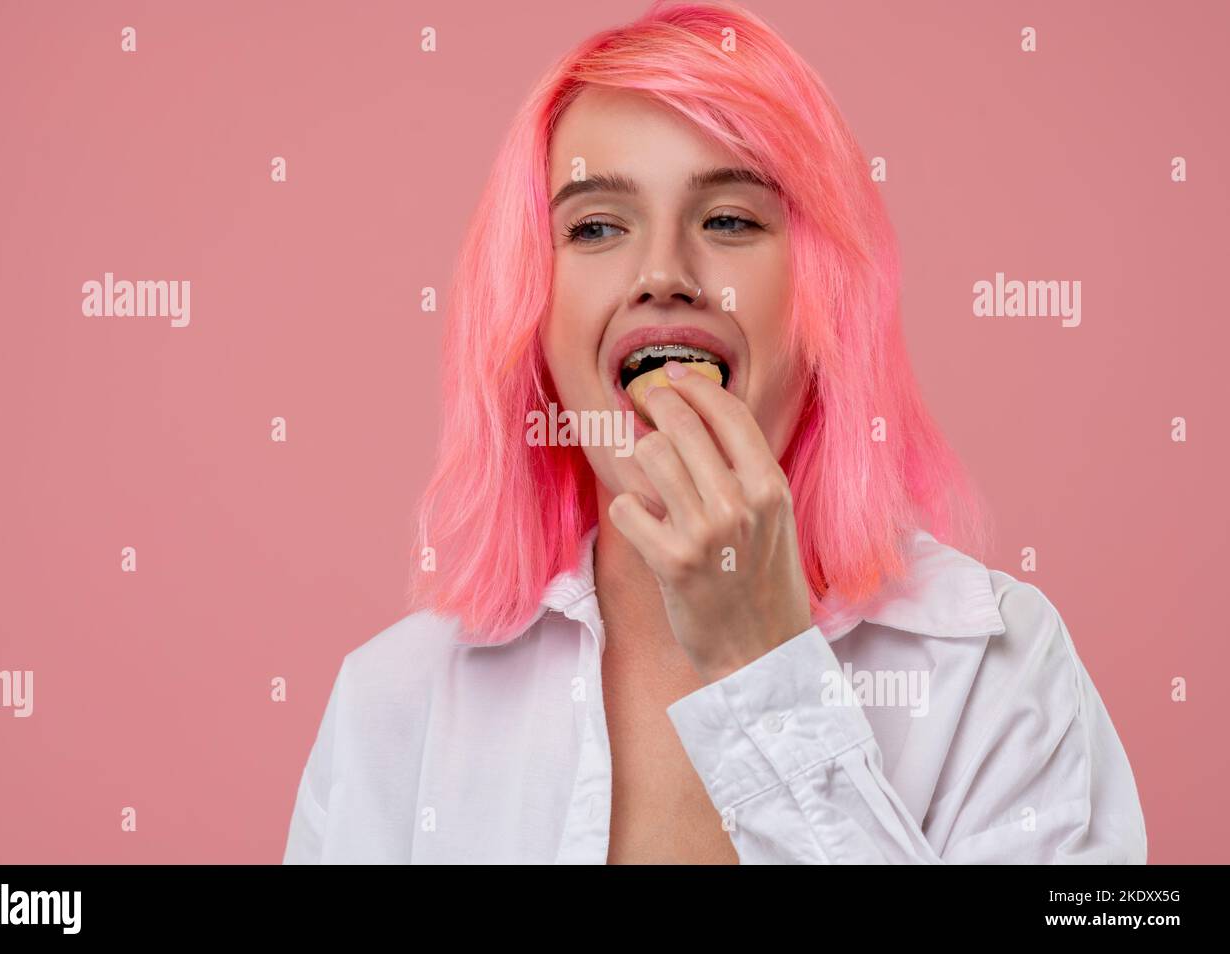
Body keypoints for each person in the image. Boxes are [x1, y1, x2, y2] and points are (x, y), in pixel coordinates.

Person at [282, 0, 1147, 864]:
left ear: (823, 301)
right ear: (533, 313)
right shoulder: (394, 703)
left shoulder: (998, 671)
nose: (663, 273)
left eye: (730, 219)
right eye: (595, 227)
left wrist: (762, 666)